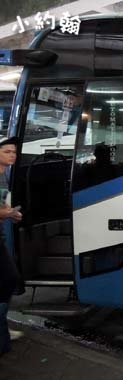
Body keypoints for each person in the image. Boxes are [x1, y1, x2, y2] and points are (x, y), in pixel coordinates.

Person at [0, 136, 23, 356]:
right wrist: (6, 213)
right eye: (7, 151)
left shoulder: (5, 176)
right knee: (8, 278)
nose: (12, 155)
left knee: (6, 280)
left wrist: (12, 215)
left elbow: (3, 205)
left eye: (14, 152)